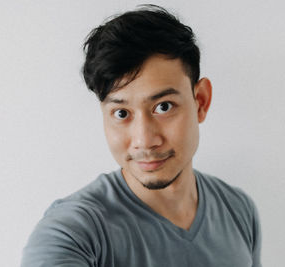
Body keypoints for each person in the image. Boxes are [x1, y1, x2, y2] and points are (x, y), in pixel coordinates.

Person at [21, 5, 262, 267]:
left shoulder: (238, 209)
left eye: (163, 107)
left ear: (200, 102)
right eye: (122, 113)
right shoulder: (74, 232)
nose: (145, 140)